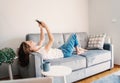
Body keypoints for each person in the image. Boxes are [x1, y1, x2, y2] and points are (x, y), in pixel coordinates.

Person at [18, 21, 86, 67]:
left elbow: (42, 39)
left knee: (71, 40)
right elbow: (51, 40)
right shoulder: (42, 52)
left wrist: (41, 28)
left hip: (60, 50)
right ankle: (78, 50)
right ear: (30, 48)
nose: (31, 40)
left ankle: (78, 49)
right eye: (29, 42)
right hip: (65, 53)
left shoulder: (37, 49)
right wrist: (46, 26)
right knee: (73, 35)